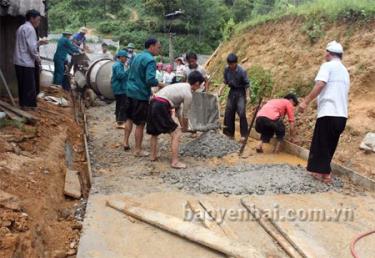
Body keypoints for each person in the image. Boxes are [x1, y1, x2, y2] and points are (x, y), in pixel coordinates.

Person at [298, 41, 350, 183]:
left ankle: (325, 174)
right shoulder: (345, 71)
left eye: (325, 52)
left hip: (328, 112)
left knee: (321, 143)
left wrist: (305, 101)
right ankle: (320, 172)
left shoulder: (327, 66)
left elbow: (320, 84)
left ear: (328, 53)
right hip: (342, 115)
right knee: (330, 144)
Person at [147, 71, 205, 168]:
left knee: (155, 132)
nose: (200, 87)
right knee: (176, 133)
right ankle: (175, 162)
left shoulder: (182, 86)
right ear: (197, 83)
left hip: (153, 102)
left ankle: (153, 156)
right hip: (161, 104)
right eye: (201, 84)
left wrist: (182, 126)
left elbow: (178, 110)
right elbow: (185, 114)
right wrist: (185, 128)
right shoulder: (188, 94)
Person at [123, 38, 163, 155]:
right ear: (151, 46)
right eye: (158, 47)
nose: (159, 50)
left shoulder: (137, 57)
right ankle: (138, 149)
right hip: (140, 95)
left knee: (129, 118)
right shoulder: (150, 60)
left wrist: (149, 91)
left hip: (130, 91)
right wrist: (161, 84)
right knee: (140, 123)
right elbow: (150, 80)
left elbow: (134, 74)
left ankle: (125, 142)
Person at [13, 9, 48, 110]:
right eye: (38, 20)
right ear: (31, 18)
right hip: (26, 62)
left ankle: (23, 104)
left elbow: (27, 44)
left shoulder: (21, 27)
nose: (39, 22)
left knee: (22, 84)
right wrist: (38, 59)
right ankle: (28, 106)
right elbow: (32, 48)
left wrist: (39, 43)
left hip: (19, 61)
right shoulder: (30, 29)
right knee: (29, 85)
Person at [223, 53, 250, 143]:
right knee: (228, 112)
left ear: (236, 63)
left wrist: (248, 96)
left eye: (232, 64)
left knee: (241, 113)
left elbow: (247, 85)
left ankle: (244, 135)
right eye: (229, 64)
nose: (230, 66)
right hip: (232, 91)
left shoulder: (242, 71)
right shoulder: (226, 69)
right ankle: (229, 134)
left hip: (241, 92)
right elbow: (225, 81)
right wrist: (220, 90)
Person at [111, 50, 129, 129]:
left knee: (119, 104)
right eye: (125, 57)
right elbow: (120, 76)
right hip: (120, 88)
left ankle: (118, 120)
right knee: (122, 105)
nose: (126, 59)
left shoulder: (119, 64)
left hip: (118, 88)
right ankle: (120, 122)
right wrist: (128, 71)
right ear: (121, 57)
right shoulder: (118, 65)